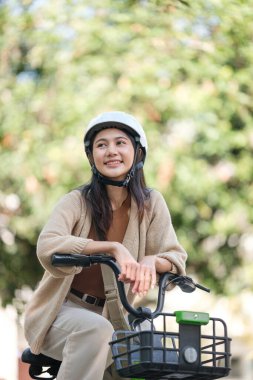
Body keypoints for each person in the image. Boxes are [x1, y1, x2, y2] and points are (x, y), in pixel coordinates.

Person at [24, 111, 187, 380]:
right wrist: (112, 248)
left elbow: (175, 256)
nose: (111, 151)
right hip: (59, 314)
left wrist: (152, 261)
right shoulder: (76, 201)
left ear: (138, 152)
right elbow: (47, 245)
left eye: (120, 143)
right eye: (102, 145)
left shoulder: (151, 204)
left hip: (116, 319)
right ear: (92, 157)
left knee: (158, 357)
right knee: (97, 330)